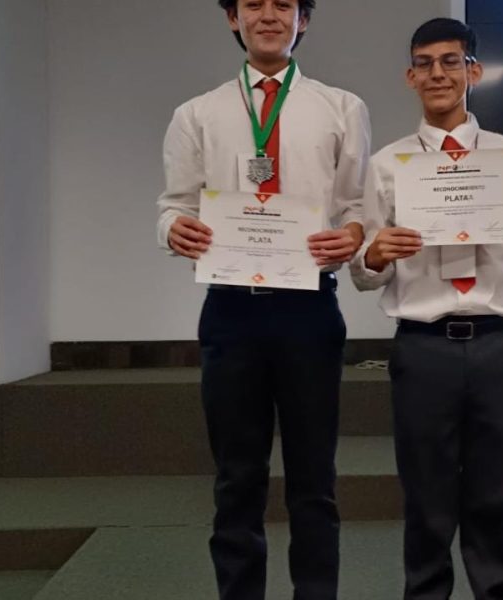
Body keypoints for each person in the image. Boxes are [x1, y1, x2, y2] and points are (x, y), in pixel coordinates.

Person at [156, 1, 371, 598]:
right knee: (236, 479)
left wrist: (354, 234)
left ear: (304, 18)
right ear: (233, 18)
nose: (269, 15)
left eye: (284, 4)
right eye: (254, 3)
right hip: (232, 311)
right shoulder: (197, 113)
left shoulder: (343, 108)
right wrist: (173, 229)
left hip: (308, 309)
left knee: (314, 480)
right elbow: (174, 204)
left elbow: (357, 207)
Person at [352, 18, 503, 600]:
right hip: (423, 348)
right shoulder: (387, 164)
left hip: (496, 343)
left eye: (451, 61)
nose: (437, 74)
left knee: (493, 492)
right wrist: (375, 254)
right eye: (425, 64)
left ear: (473, 72)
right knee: (426, 495)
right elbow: (366, 275)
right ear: (410, 76)